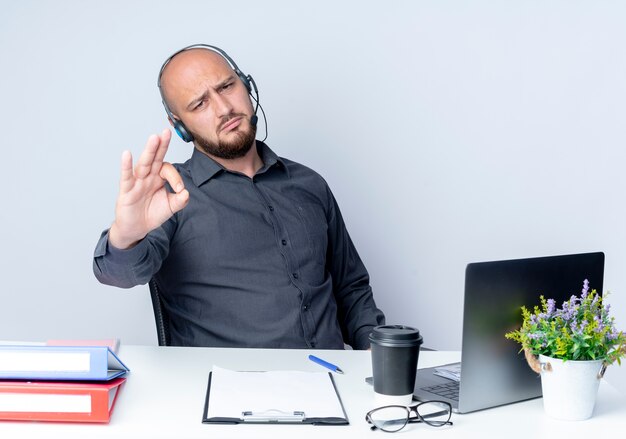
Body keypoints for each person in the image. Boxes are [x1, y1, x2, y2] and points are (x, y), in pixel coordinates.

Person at [93, 44, 385, 349]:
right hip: (231, 391)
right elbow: (120, 273)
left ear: (246, 86)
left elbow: (351, 290)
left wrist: (383, 363)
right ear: (180, 127)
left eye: (227, 86)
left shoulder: (309, 184)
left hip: (333, 385)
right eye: (200, 104)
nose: (224, 108)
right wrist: (126, 236)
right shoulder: (169, 196)